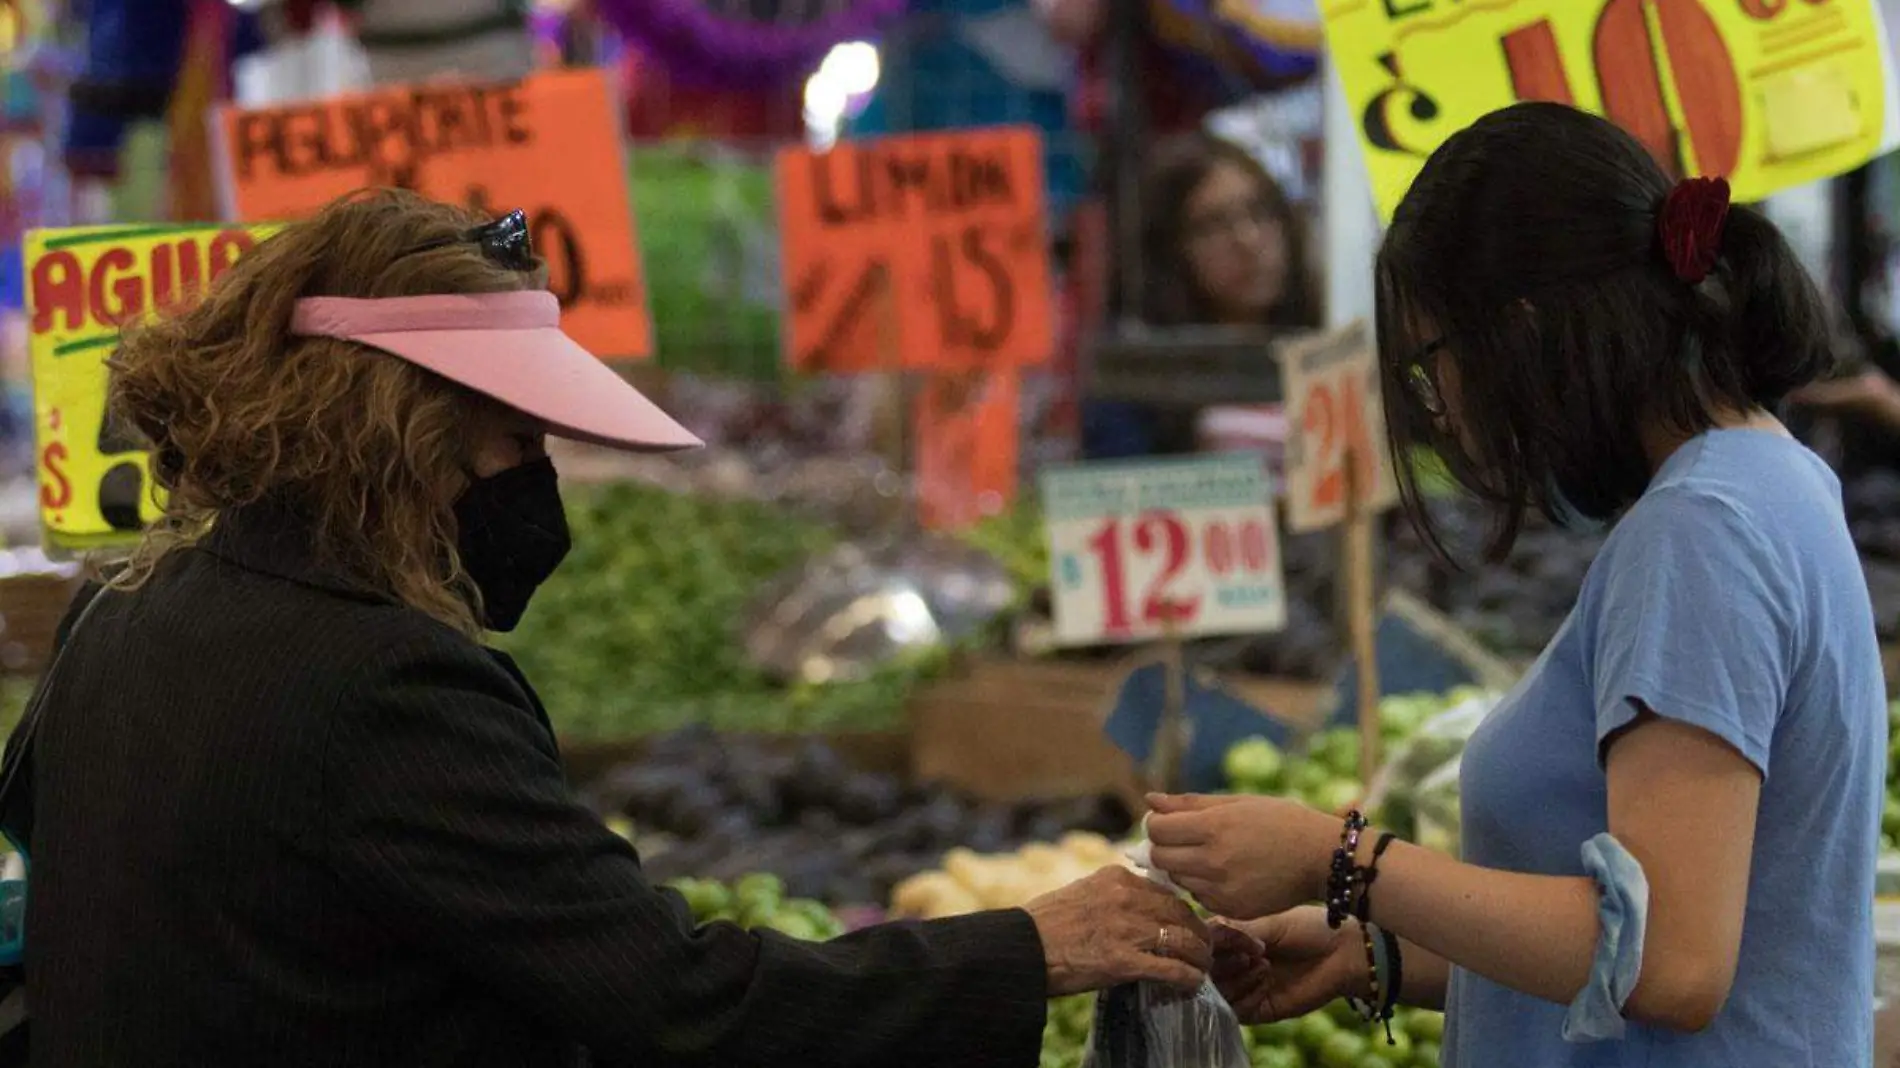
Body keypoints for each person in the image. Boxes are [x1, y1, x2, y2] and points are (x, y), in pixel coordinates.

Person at [2, 190, 1211, 1068]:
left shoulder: (120, 608)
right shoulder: (384, 684)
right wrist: (1023, 950)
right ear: (401, 430)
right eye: (521, 444)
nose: (540, 482)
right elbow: (678, 1001)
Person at [1143, 102, 1884, 1066]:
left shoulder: (1702, 529)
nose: (1441, 408)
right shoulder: (1765, 479)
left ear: (1519, 329)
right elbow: (1670, 938)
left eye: (1430, 365)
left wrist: (1344, 862)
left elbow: (1668, 961)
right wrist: (1386, 953)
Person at [1082, 131, 1321, 459]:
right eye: (1213, 225)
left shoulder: (1329, 338)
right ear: (1171, 250)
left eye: (1260, 211)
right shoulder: (1137, 380)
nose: (1248, 241)